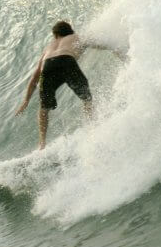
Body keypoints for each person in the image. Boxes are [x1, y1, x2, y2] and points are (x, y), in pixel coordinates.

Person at [14, 20, 121, 150]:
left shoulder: (49, 48)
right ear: (69, 31)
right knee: (87, 99)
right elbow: (97, 44)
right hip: (67, 62)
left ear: (56, 35)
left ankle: (41, 144)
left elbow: (35, 76)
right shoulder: (76, 37)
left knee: (44, 109)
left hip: (48, 66)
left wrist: (26, 100)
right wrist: (115, 49)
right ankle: (93, 131)